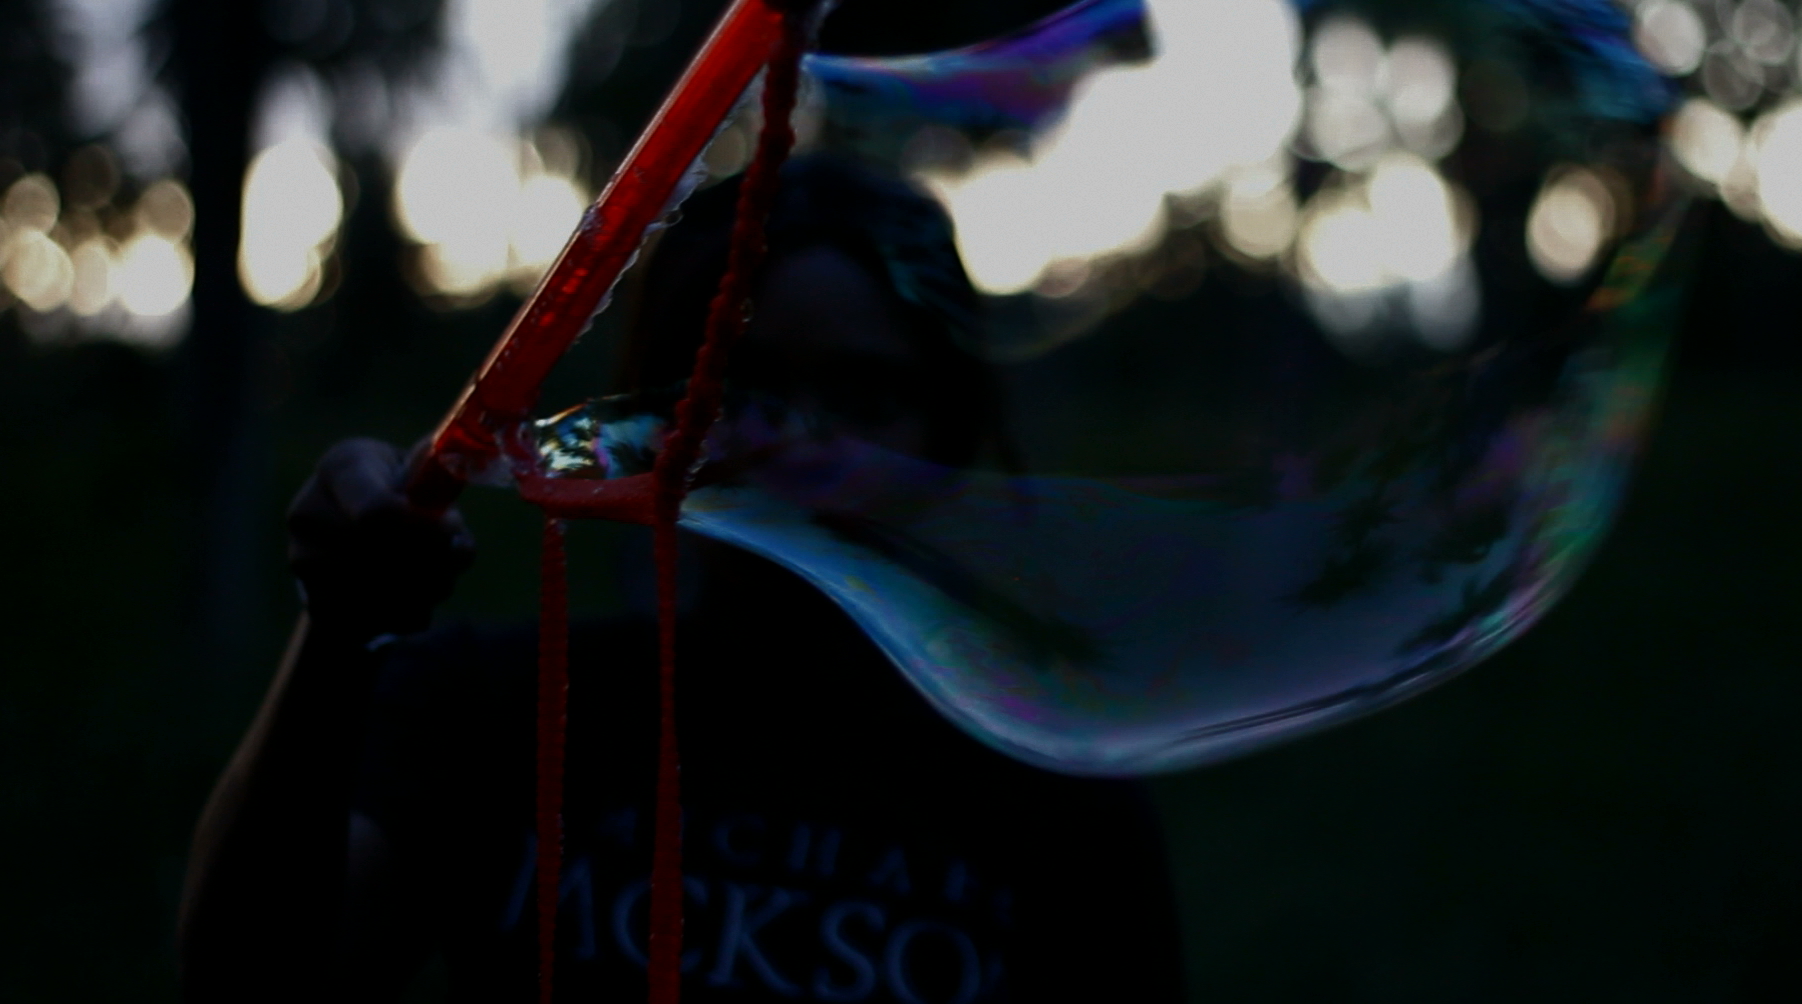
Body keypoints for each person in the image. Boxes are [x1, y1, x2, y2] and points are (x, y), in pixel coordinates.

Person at [178, 155, 1185, 1003]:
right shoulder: (490, 711)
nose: (799, 439)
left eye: (865, 393)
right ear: (650, 427)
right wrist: (339, 629)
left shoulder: (1056, 803)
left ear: (947, 435)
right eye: (736, 385)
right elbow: (246, 981)